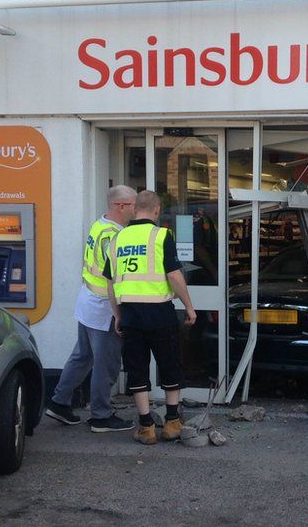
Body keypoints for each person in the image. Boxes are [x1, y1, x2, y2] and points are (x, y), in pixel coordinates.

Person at [104, 190, 197, 445]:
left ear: (135, 210)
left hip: (131, 315)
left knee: (136, 368)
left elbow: (111, 283)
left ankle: (145, 426)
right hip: (159, 313)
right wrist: (189, 306)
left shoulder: (117, 239)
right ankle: (171, 423)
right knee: (170, 363)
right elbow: (174, 275)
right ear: (157, 210)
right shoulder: (161, 235)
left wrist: (117, 315)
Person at [45, 185, 137, 432]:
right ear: (120, 206)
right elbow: (113, 277)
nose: (136, 209)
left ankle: (59, 402)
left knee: (82, 356)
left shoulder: (100, 225)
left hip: (88, 301)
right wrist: (120, 312)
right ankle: (100, 415)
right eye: (133, 205)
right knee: (105, 363)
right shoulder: (114, 236)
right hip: (103, 306)